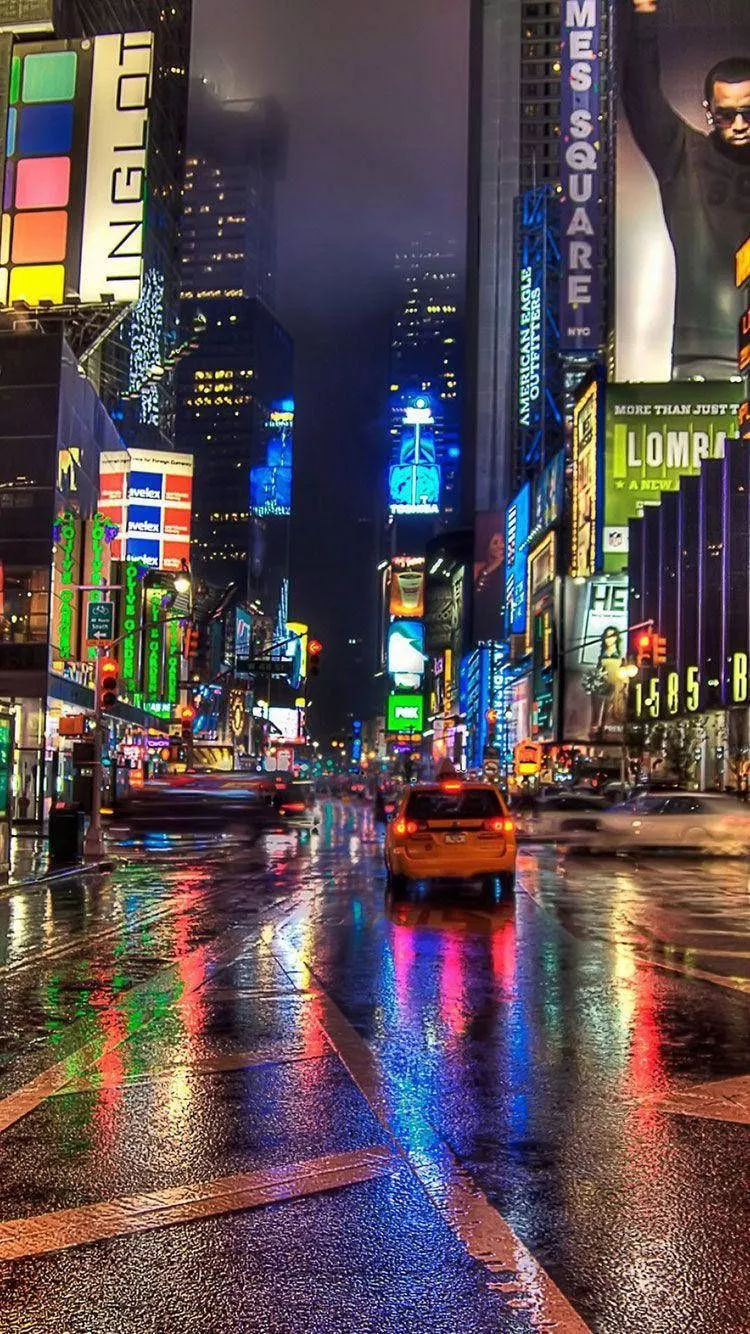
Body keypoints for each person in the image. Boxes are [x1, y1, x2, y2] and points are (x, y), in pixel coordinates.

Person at [623, 0, 750, 378]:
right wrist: (644, 16)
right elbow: (640, 96)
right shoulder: (683, 155)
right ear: (710, 111)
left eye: (749, 112)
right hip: (704, 355)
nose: (740, 123)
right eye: (728, 114)